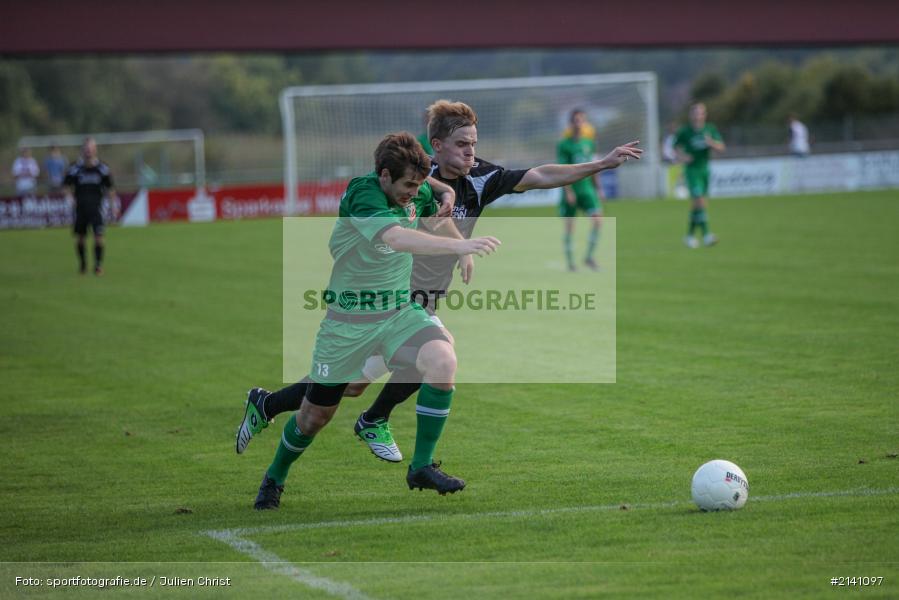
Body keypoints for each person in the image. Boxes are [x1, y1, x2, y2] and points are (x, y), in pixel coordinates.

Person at [237, 101, 642, 470]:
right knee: (368, 380)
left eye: (474, 143)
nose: (470, 152)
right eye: (462, 144)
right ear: (437, 146)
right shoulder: (415, 174)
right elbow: (398, 209)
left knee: (372, 379)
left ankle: (290, 407)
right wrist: (455, 227)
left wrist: (601, 164)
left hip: (419, 300)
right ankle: (352, 418)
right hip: (388, 298)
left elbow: (541, 174)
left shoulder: (482, 177)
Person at [249, 132, 501, 509]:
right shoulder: (362, 195)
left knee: (441, 360)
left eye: (417, 186)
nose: (412, 194)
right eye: (406, 186)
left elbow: (433, 201)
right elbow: (396, 238)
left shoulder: (414, 187)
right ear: (384, 175)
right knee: (315, 417)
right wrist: (459, 245)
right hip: (348, 321)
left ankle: (420, 466)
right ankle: (275, 476)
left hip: (399, 310)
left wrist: (447, 199)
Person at [557, 109, 605, 271]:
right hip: (572, 190)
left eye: (581, 120)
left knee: (598, 220)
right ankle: (571, 263)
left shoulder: (589, 143)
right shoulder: (564, 145)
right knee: (570, 226)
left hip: (587, 190)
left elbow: (594, 167)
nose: (579, 124)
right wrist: (568, 192)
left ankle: (589, 257)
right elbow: (562, 170)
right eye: (576, 121)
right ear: (571, 124)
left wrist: (598, 188)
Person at [674, 102, 725, 248]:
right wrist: (683, 157)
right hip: (692, 171)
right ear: (691, 115)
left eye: (700, 112)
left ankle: (689, 236)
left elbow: (722, 147)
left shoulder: (710, 129)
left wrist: (711, 143)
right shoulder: (685, 131)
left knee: (700, 204)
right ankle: (707, 235)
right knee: (699, 201)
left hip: (705, 170)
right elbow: (674, 148)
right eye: (695, 112)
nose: (698, 115)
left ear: (704, 115)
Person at [64, 138, 117, 275]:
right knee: (80, 239)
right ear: (82, 150)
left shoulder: (102, 169)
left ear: (95, 150)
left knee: (99, 237)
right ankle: (83, 264)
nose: (88, 151)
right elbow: (66, 186)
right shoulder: (75, 168)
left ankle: (98, 266)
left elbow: (110, 189)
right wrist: (70, 198)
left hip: (97, 208)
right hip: (80, 209)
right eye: (86, 149)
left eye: (91, 149)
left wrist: (113, 206)